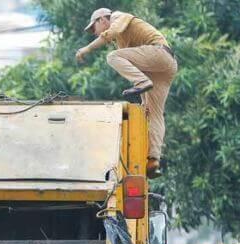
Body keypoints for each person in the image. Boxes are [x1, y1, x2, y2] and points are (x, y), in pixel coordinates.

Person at [75, 8, 177, 179]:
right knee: (152, 113)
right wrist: (144, 97)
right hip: (166, 66)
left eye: (94, 28)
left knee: (112, 57)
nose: (95, 33)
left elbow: (111, 32)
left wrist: (85, 49)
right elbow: (133, 61)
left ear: (102, 20)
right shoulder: (122, 41)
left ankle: (142, 82)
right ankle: (154, 160)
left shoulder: (118, 17)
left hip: (159, 53)